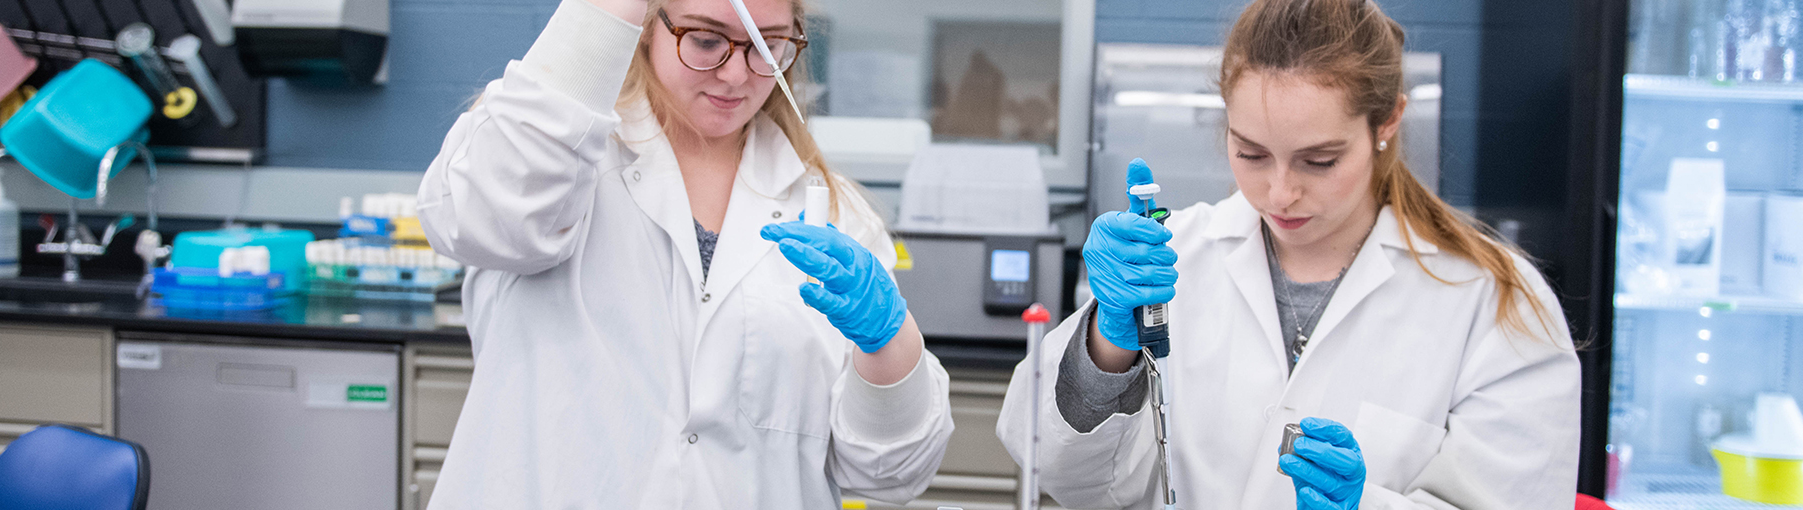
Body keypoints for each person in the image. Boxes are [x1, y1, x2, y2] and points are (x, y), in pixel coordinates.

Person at [996, 0, 1580, 508]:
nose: (1280, 193)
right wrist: (1106, 348)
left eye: (1319, 160)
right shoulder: (1175, 258)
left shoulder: (1497, 303)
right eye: (1251, 153)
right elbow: (1054, 469)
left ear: (1389, 121)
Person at [414, 0, 953, 506]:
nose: (737, 75)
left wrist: (890, 344)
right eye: (704, 40)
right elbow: (477, 217)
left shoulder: (838, 215)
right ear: (649, 24)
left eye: (768, 47)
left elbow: (889, 474)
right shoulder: (558, 152)